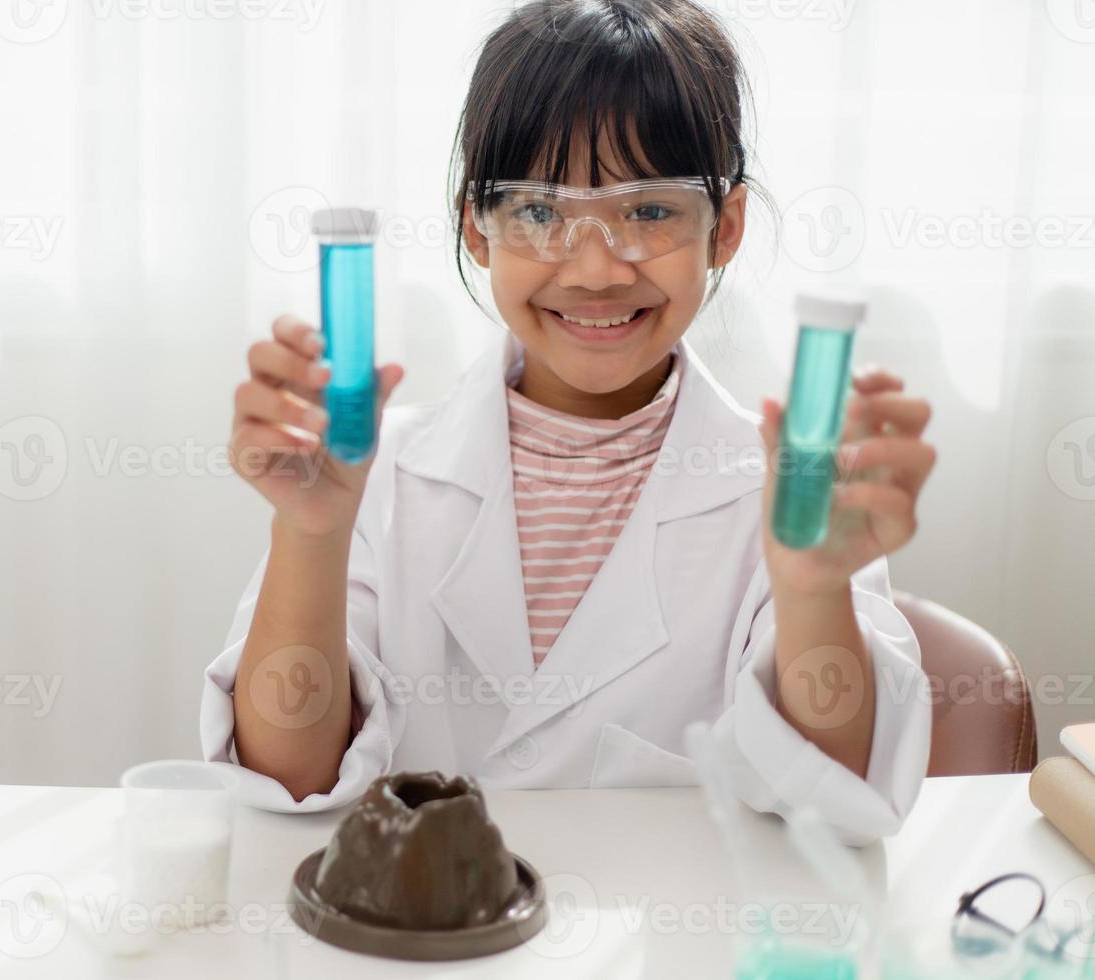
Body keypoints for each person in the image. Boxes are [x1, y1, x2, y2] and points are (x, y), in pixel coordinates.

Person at [201, 0, 936, 845]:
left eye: (650, 210)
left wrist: (811, 591)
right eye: (541, 213)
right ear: (475, 226)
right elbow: (288, 778)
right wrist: (310, 534)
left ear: (723, 228)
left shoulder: (793, 493)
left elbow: (836, 798)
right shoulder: (371, 474)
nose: (594, 269)